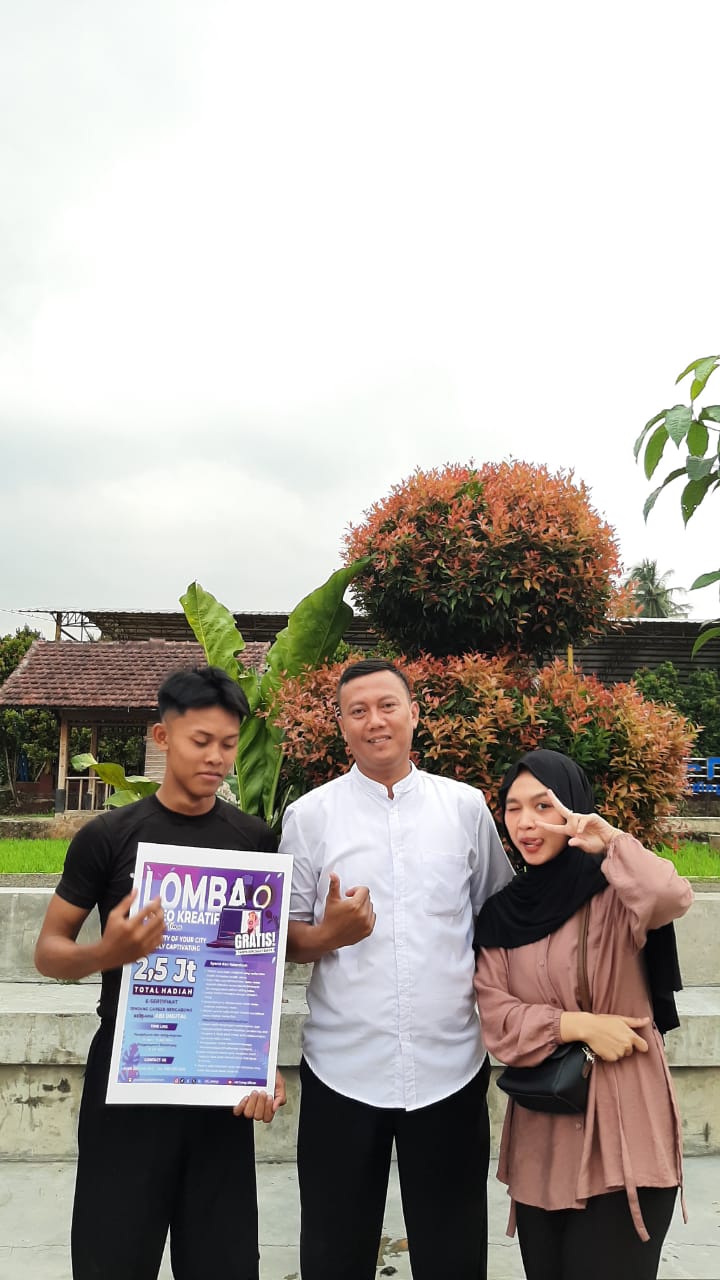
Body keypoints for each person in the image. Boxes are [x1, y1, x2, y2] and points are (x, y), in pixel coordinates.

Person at [34, 666, 286, 1280]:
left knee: (222, 1260)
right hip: (128, 1079)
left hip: (220, 1090)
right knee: (112, 1254)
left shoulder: (254, 841)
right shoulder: (108, 837)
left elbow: (253, 966)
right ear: (161, 735)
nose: (217, 758)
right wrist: (107, 953)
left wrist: (259, 1057)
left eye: (228, 744)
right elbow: (49, 950)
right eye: (201, 741)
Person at [279, 658, 513, 1280]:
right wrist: (328, 935)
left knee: (455, 1250)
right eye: (358, 711)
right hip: (342, 1066)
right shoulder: (310, 817)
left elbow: (496, 915)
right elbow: (275, 939)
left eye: (388, 706)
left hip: (451, 1065)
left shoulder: (465, 808)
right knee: (333, 1249)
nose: (375, 721)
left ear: (415, 714)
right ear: (342, 726)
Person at [473, 748, 693, 1280]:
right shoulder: (504, 913)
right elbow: (497, 1018)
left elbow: (671, 895)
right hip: (543, 1136)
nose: (527, 822)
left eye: (544, 805)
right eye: (513, 808)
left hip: (625, 1129)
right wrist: (577, 1025)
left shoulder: (616, 893)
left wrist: (613, 840)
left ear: (573, 808)